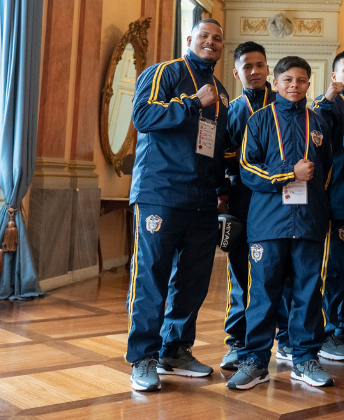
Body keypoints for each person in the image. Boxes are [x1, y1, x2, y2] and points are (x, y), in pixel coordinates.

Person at [126, 18, 229, 392]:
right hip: (160, 192)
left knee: (192, 280)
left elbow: (215, 147)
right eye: (204, 36)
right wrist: (190, 103)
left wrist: (221, 189)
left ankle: (175, 350)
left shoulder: (221, 91)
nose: (211, 42)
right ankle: (143, 357)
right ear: (189, 39)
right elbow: (142, 117)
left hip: (201, 200)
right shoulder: (164, 72)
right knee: (151, 276)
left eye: (218, 38)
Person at [226, 56, 334, 390]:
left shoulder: (318, 123)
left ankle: (304, 359)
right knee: (262, 294)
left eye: (301, 80)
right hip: (268, 223)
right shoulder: (258, 121)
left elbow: (327, 169)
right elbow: (247, 169)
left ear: (309, 83)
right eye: (287, 80)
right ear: (276, 82)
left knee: (307, 293)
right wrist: (289, 175)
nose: (294, 86)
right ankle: (255, 362)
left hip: (309, 222)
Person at [220, 41, 293, 371]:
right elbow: (221, 160)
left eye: (259, 65)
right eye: (247, 66)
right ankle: (237, 341)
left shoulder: (285, 106)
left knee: (281, 271)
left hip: (279, 202)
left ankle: (286, 336)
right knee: (240, 274)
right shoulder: (230, 111)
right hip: (242, 200)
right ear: (237, 72)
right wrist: (221, 199)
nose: (254, 71)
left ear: (268, 69)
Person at [311, 51, 344, 360]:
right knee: (335, 271)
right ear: (335, 76)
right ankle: (327, 331)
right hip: (338, 201)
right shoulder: (329, 104)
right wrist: (329, 94)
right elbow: (314, 128)